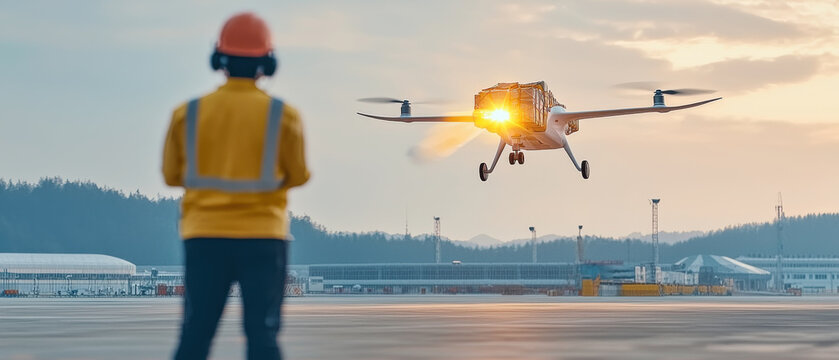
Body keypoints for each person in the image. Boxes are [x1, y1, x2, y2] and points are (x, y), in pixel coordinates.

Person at [162, 12, 310, 360]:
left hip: (204, 236)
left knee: (196, 333)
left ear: (219, 58)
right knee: (262, 335)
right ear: (268, 62)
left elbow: (171, 175)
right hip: (263, 237)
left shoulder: (188, 113)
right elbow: (300, 175)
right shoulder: (283, 115)